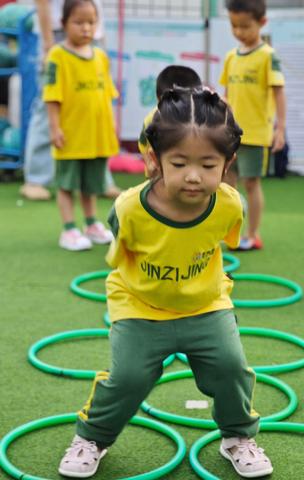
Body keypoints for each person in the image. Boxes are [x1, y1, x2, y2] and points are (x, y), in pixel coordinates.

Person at [57, 87, 273, 479]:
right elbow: (122, 265)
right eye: (180, 163)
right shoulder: (128, 209)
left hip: (205, 305)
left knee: (231, 368)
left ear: (228, 163)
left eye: (209, 165)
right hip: (141, 305)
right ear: (155, 161)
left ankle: (238, 437)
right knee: (128, 378)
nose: (194, 176)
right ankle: (92, 438)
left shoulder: (228, 205)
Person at [19, 0, 120, 201]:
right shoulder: (58, 50)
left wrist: (100, 36)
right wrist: (48, 44)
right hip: (58, 34)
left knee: (94, 104)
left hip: (93, 35)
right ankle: (36, 179)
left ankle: (100, 179)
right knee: (48, 105)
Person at [43, 0, 118, 251]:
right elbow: (52, 97)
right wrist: (55, 128)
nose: (86, 28)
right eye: (78, 22)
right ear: (63, 24)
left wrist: (112, 127)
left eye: (91, 22)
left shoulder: (100, 57)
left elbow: (108, 95)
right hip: (71, 136)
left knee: (91, 184)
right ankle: (68, 229)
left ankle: (90, 223)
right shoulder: (57, 56)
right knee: (67, 184)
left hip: (96, 137)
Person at [220, 0, 286, 251]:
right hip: (229, 133)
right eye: (234, 26)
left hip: (256, 133)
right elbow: (227, 94)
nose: (239, 32)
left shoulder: (268, 56)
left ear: (262, 23)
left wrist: (280, 129)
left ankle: (253, 233)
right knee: (226, 182)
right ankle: (230, 231)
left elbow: (279, 92)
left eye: (245, 26)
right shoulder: (230, 58)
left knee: (251, 183)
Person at [138, 65, 202, 177]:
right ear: (158, 100)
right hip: (160, 174)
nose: (177, 109)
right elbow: (143, 144)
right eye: (171, 104)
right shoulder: (151, 120)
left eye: (184, 104)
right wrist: (149, 163)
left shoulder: (203, 119)